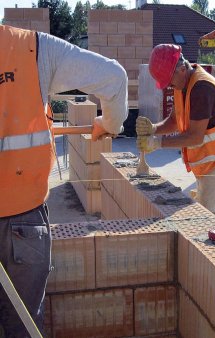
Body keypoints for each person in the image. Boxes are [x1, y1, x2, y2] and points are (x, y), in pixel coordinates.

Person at [0, 24, 128, 337]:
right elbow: (114, 78)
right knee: (22, 328)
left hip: (23, 218)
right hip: (23, 220)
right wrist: (109, 124)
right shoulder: (32, 49)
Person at [136, 44, 215, 213]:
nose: (168, 87)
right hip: (209, 158)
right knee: (203, 207)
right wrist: (153, 129)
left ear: (181, 68)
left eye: (169, 81)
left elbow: (194, 137)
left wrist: (157, 143)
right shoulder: (182, 84)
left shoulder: (202, 89)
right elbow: (174, 120)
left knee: (207, 215)